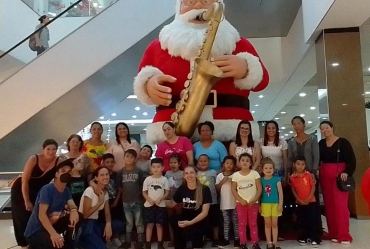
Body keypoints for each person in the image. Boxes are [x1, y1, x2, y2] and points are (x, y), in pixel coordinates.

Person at [133, 0, 269, 144]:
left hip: (231, 129)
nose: (197, 6)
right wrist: (149, 85)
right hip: (173, 130)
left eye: (205, 2)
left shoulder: (240, 44)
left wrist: (246, 67)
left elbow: (263, 81)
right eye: (190, 2)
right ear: (179, 8)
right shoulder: (157, 47)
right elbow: (142, 77)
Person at [11, 139, 63, 249]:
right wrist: (27, 200)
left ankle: (34, 241)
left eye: (54, 149)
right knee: (22, 217)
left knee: (36, 217)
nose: (51, 152)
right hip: (21, 189)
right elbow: (24, 181)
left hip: (38, 191)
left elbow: (63, 174)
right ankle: (23, 244)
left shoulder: (58, 161)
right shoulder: (34, 158)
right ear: (43, 149)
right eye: (48, 149)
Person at [24, 159, 81, 249]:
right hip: (36, 230)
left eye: (69, 171)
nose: (66, 173)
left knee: (79, 216)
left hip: (53, 224)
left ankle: (69, 243)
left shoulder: (66, 190)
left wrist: (74, 211)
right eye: (63, 171)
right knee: (57, 245)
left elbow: (72, 204)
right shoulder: (47, 189)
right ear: (56, 174)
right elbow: (42, 215)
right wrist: (53, 234)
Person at [318, 121, 355, 244]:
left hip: (340, 177)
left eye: (327, 128)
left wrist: (347, 172)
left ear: (332, 128)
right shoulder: (321, 143)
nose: (325, 130)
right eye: (322, 129)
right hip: (325, 176)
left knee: (341, 206)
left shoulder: (343, 142)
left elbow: (351, 160)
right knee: (329, 206)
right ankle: (333, 232)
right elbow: (319, 159)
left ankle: (344, 235)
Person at [288, 116, 322, 239]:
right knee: (300, 205)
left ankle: (316, 232)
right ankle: (303, 232)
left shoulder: (312, 139)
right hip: (297, 177)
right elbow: (291, 158)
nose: (296, 126)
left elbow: (316, 156)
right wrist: (290, 173)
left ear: (304, 124)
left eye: (298, 123)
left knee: (313, 204)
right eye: (294, 124)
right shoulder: (291, 141)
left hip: (310, 176)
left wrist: (313, 171)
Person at [166, 166, 212, 249]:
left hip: (199, 220)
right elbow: (172, 203)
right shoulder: (182, 189)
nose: (189, 175)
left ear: (196, 174)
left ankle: (200, 240)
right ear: (184, 176)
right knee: (174, 219)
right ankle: (180, 244)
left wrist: (190, 222)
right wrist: (158, 200)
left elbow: (205, 212)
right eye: (186, 173)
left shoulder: (205, 189)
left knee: (196, 241)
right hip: (186, 217)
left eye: (191, 172)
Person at [231, 153, 262, 249]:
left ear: (251, 163)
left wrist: (254, 199)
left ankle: (255, 242)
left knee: (253, 223)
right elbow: (233, 189)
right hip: (240, 203)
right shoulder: (236, 175)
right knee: (242, 223)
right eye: (243, 160)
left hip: (253, 203)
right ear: (239, 162)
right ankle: (243, 243)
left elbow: (259, 188)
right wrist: (240, 200)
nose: (245, 162)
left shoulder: (255, 174)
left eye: (247, 160)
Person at [78, 166, 112, 249]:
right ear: (96, 178)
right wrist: (100, 202)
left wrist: (108, 224)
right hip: (85, 224)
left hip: (95, 223)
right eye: (102, 175)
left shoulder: (105, 192)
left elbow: (107, 213)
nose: (105, 177)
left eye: (107, 174)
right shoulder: (90, 190)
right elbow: (85, 215)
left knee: (118, 225)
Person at [117, 149, 145, 249]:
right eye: (127, 156)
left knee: (139, 222)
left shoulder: (139, 171)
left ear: (135, 159)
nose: (129, 158)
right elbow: (119, 186)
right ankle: (128, 242)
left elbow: (142, 185)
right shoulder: (120, 172)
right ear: (123, 158)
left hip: (137, 200)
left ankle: (140, 242)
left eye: (132, 157)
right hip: (126, 201)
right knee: (129, 223)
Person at [290, 156, 320, 247]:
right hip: (300, 202)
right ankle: (305, 237)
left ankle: (314, 238)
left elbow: (313, 187)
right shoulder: (292, 177)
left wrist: (309, 198)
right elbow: (293, 189)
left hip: (311, 202)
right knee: (303, 220)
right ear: (294, 164)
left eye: (303, 164)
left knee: (312, 219)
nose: (300, 166)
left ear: (305, 165)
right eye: (298, 164)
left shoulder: (309, 175)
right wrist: (298, 199)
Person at [142, 158, 169, 249]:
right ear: (151, 168)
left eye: (158, 167)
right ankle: (148, 243)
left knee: (159, 225)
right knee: (149, 224)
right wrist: (148, 199)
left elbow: (167, 192)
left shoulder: (164, 179)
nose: (156, 169)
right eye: (153, 167)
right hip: (149, 205)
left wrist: (161, 199)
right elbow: (144, 192)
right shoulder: (147, 179)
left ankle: (160, 244)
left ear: (162, 168)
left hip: (160, 205)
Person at [101, 153, 125, 248]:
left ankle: (116, 237)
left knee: (118, 220)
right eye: (107, 162)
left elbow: (119, 189)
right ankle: (107, 238)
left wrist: (116, 201)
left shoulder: (117, 174)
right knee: (106, 220)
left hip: (116, 202)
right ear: (103, 163)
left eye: (112, 162)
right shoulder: (100, 174)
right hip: (104, 203)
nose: (110, 164)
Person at [216, 155, 239, 248]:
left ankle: (237, 239)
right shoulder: (219, 175)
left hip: (235, 203)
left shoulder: (236, 175)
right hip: (224, 204)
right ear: (223, 164)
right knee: (226, 222)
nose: (229, 165)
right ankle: (226, 239)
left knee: (235, 221)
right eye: (227, 163)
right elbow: (217, 189)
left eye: (231, 164)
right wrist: (223, 181)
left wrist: (232, 181)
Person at [260, 158, 283, 249]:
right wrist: (259, 205)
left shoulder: (277, 179)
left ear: (273, 169)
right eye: (266, 168)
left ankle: (275, 242)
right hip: (265, 204)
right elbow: (259, 193)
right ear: (262, 169)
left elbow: (280, 193)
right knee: (267, 224)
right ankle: (269, 242)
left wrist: (280, 204)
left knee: (274, 224)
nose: (268, 170)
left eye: (270, 168)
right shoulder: (260, 180)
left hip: (275, 204)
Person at [197, 154, 219, 247]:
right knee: (201, 221)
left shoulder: (213, 172)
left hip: (213, 201)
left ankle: (216, 239)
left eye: (205, 161)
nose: (203, 162)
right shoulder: (195, 173)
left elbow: (216, 185)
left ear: (209, 162)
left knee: (214, 221)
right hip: (200, 202)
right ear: (197, 163)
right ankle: (202, 238)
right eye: (201, 161)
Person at [164, 153, 184, 247]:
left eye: (175, 162)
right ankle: (172, 240)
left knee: (180, 221)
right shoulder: (167, 174)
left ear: (179, 163)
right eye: (171, 162)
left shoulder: (183, 173)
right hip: (169, 200)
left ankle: (180, 240)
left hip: (180, 201)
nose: (173, 164)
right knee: (170, 221)